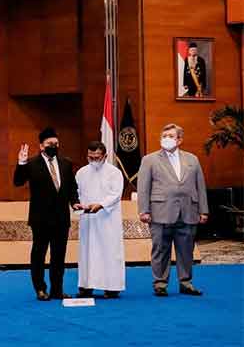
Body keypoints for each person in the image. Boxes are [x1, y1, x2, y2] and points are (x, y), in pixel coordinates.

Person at [138, 123, 209, 297]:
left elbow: (200, 186)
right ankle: (160, 284)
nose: (167, 139)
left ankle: (186, 282)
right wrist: (143, 210)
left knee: (186, 250)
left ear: (179, 140)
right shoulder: (149, 159)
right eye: (164, 136)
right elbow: (143, 188)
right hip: (160, 211)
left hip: (188, 211)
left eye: (171, 136)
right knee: (160, 250)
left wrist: (204, 210)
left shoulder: (192, 159)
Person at [13, 127, 81, 301]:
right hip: (40, 219)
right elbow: (18, 182)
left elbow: (72, 187)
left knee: (59, 256)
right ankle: (40, 289)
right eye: (50, 144)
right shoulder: (31, 163)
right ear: (41, 146)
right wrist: (21, 163)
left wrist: (75, 202)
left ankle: (57, 290)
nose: (54, 146)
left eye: (56, 144)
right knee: (39, 254)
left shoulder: (66, 163)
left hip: (61, 218)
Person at [75, 141, 125, 299]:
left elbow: (116, 194)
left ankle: (111, 287)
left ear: (105, 156)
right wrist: (78, 205)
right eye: (91, 157)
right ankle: (86, 286)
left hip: (107, 219)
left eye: (97, 157)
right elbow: (77, 192)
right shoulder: (81, 172)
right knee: (87, 252)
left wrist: (101, 205)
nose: (94, 160)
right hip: (88, 219)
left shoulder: (114, 172)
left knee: (109, 252)